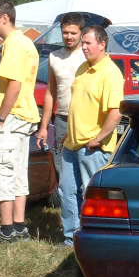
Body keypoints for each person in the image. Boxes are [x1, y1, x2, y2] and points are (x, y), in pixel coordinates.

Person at [60, 25, 124, 246]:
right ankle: (71, 238)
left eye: (88, 43)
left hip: (93, 147)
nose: (83, 47)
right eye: (83, 43)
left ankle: (94, 239)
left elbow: (115, 113)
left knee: (91, 194)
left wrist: (98, 139)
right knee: (67, 191)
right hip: (72, 143)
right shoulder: (82, 68)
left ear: (102, 44)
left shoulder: (110, 73)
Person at [0, 0, 40, 243]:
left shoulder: (14, 44)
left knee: (2, 172)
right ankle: (19, 226)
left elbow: (14, 85)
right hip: (25, 116)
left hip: (13, 117)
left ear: (4, 18)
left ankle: (6, 231)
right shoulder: (26, 42)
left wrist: (1, 117)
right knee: (18, 173)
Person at [36, 13, 86, 176]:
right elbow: (51, 92)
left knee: (84, 167)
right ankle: (66, 201)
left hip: (85, 119)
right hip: (62, 119)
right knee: (63, 168)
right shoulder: (54, 56)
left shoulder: (88, 55)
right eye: (65, 33)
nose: (69, 37)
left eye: (73, 33)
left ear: (81, 33)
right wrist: (44, 127)